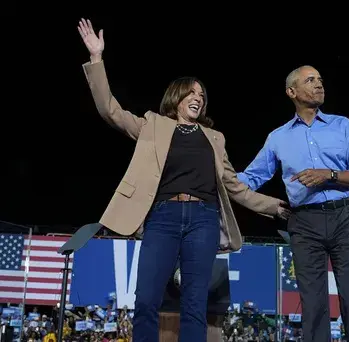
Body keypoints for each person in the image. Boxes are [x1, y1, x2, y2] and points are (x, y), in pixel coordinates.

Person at [76, 18, 290, 342]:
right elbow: (110, 111)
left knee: (194, 303)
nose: (198, 97)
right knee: (146, 299)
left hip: (203, 220)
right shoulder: (152, 125)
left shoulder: (215, 138)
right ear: (176, 97)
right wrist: (96, 58)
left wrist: (277, 207)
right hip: (161, 217)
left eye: (202, 94)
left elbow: (236, 188)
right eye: (191, 92)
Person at [237, 65, 349, 341]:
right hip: (304, 223)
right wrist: (216, 176)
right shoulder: (278, 138)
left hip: (345, 217)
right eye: (310, 80)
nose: (319, 85)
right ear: (291, 92)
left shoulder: (342, 125)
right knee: (313, 305)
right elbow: (251, 177)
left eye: (320, 80)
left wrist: (329, 175)